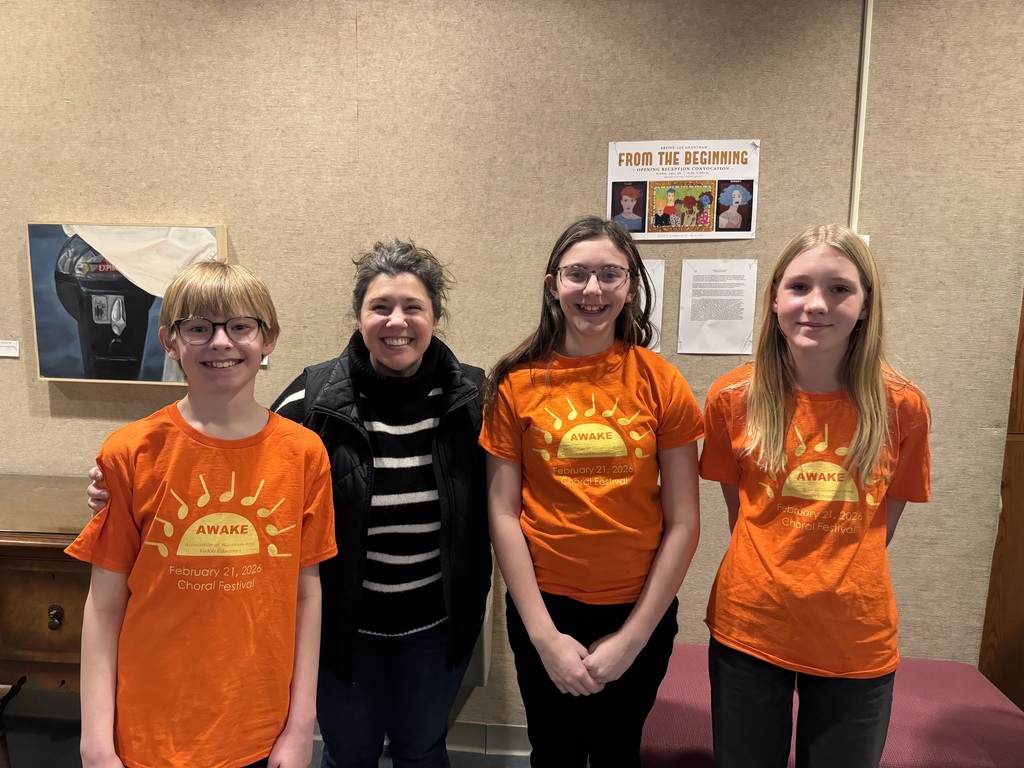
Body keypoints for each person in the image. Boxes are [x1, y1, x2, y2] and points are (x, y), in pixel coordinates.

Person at [86, 242, 491, 767]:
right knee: (349, 752)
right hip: (345, 626)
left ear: (435, 316)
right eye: (380, 307)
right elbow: (228, 449)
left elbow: (515, 484)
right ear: (359, 316)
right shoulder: (312, 400)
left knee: (424, 748)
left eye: (413, 307)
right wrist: (110, 487)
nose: (397, 321)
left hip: (435, 623)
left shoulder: (473, 398)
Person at [70, 261, 337, 768]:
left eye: (240, 326)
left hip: (259, 725)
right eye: (198, 328)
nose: (221, 343)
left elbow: (307, 593)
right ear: (169, 341)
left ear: (269, 338)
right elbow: (104, 606)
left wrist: (302, 727)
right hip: (150, 728)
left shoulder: (305, 454)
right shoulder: (130, 452)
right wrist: (95, 741)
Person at [700, 224, 931, 768]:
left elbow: (882, 525)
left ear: (866, 305)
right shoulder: (731, 399)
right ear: (774, 299)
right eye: (799, 287)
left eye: (840, 289)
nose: (816, 304)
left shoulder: (903, 406)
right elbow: (745, 517)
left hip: (856, 634)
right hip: (750, 625)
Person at [479, 216, 703, 767]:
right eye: (577, 274)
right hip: (545, 607)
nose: (593, 290)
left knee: (616, 753)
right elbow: (503, 514)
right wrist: (544, 637)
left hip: (639, 609)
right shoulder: (515, 382)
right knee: (552, 753)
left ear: (631, 287)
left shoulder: (660, 381)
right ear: (554, 283)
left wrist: (632, 639)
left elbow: (684, 522)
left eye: (610, 275)